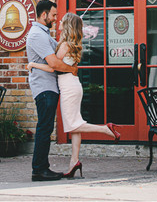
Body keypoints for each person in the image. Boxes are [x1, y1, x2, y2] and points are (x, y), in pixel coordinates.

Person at [27, 12, 120, 178]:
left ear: (67, 25)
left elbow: (52, 67)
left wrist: (33, 64)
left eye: (62, 20)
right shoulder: (68, 43)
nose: (59, 21)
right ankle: (74, 161)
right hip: (72, 85)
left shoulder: (65, 45)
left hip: (68, 87)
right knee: (75, 124)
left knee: (72, 125)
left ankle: (106, 129)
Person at [25, 0, 78, 182]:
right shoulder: (37, 35)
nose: (55, 18)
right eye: (53, 15)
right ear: (44, 14)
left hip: (49, 87)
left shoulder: (43, 34)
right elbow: (54, 63)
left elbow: (59, 53)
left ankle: (42, 168)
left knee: (46, 128)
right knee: (44, 128)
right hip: (44, 88)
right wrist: (71, 69)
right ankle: (39, 170)